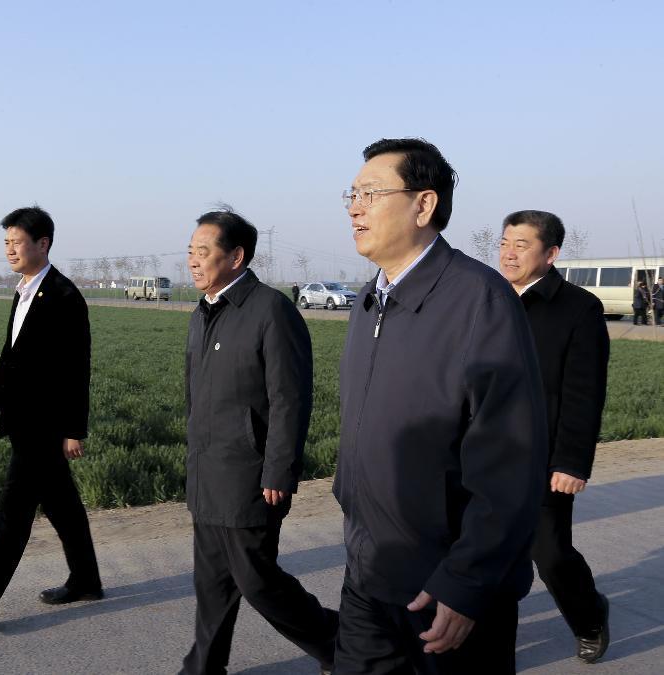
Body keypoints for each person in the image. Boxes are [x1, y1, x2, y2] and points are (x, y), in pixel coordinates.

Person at [333, 138, 546, 674]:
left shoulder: (481, 302)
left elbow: (511, 461)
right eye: (351, 194)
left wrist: (467, 581)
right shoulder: (368, 301)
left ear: (423, 204)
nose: (355, 207)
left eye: (370, 193)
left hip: (446, 589)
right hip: (369, 572)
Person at [182, 208, 338, 675]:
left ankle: (343, 642)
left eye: (203, 251)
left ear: (236, 256)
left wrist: (279, 469)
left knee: (257, 581)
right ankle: (204, 667)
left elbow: (289, 398)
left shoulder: (270, 310)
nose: (192, 260)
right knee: (211, 584)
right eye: (190, 251)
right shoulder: (203, 311)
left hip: (248, 475)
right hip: (208, 472)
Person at [0, 206, 102, 632]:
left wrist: (73, 430)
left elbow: (76, 369)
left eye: (16, 242)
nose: (9, 249)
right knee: (62, 505)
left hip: (43, 428)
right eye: (5, 242)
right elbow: (11, 358)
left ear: (42, 244)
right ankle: (86, 579)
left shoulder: (64, 297)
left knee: (12, 516)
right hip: (22, 419)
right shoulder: (25, 289)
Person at [498, 210, 611, 663]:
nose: (508, 252)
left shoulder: (578, 308)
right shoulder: (485, 297)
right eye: (505, 242)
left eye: (521, 244)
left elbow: (584, 393)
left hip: (542, 457)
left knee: (549, 554)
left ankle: (588, 617)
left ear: (551, 254)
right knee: (482, 551)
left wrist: (571, 462)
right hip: (482, 451)